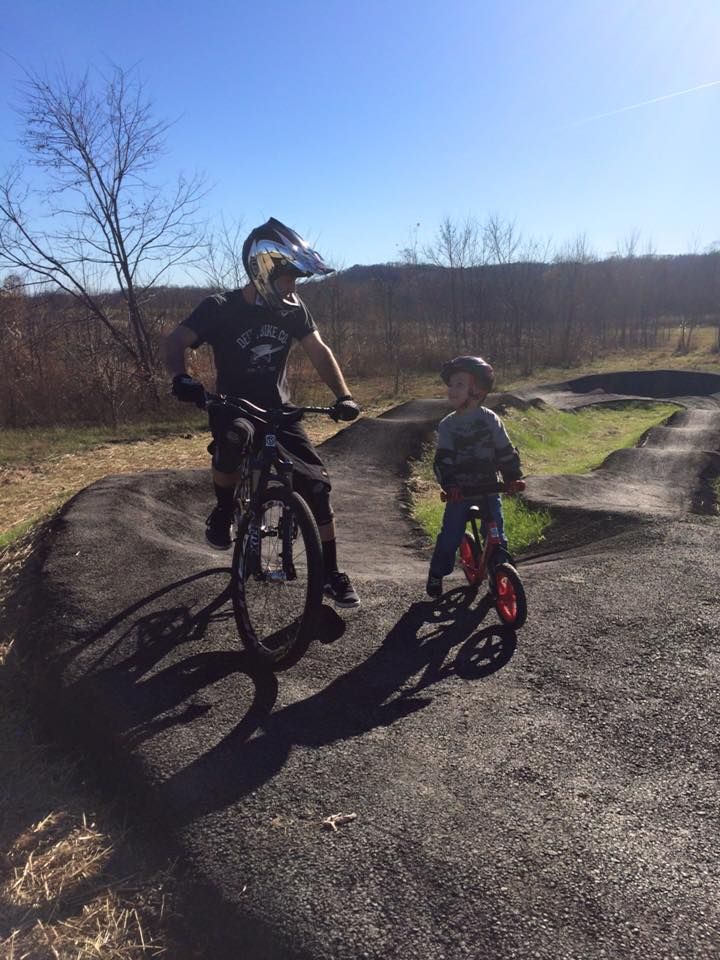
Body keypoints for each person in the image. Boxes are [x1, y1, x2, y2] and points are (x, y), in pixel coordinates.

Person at [163, 217, 361, 609]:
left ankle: (331, 573)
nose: (294, 288)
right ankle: (222, 511)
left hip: (279, 409)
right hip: (232, 405)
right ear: (265, 270)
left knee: (317, 488)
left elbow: (319, 350)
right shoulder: (219, 308)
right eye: (290, 278)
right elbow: (176, 340)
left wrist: (344, 395)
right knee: (233, 439)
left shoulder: (292, 309)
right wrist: (180, 378)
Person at [426, 355, 524, 599]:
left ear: (478, 390)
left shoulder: (490, 419)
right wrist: (450, 485)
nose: (451, 389)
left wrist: (512, 478)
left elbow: (505, 451)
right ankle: (437, 573)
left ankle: (498, 571)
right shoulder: (448, 425)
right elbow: (444, 459)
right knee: (451, 534)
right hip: (461, 490)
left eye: (459, 384)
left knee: (497, 535)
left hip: (490, 486)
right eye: (451, 384)